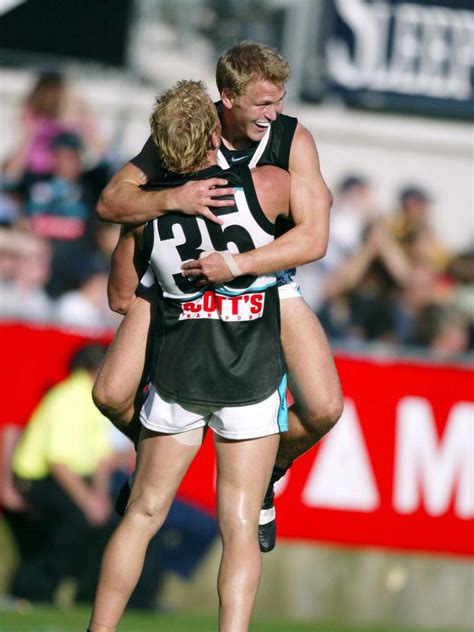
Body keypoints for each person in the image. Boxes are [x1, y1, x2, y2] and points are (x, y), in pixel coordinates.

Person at [93, 41, 343, 553]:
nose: (274, 114)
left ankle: (272, 463)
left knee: (323, 409)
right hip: (177, 281)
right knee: (109, 395)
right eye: (263, 104)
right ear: (226, 97)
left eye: (280, 101)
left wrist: (238, 264)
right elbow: (111, 200)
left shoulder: (292, 140)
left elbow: (315, 238)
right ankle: (154, 461)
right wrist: (172, 196)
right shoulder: (185, 128)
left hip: (264, 285)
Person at [88, 79, 290, 632]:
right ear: (211, 139)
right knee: (240, 524)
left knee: (143, 513)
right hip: (249, 366)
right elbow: (308, 237)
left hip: (179, 369)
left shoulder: (142, 214)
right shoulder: (268, 186)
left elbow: (120, 298)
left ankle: (99, 628)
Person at [7, 344, 118, 603]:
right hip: (36, 479)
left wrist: (100, 496)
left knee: (112, 520)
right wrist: (89, 502)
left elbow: (100, 458)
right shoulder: (68, 398)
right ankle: (29, 589)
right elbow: (58, 463)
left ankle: (90, 595)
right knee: (76, 520)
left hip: (72, 478)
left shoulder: (93, 400)